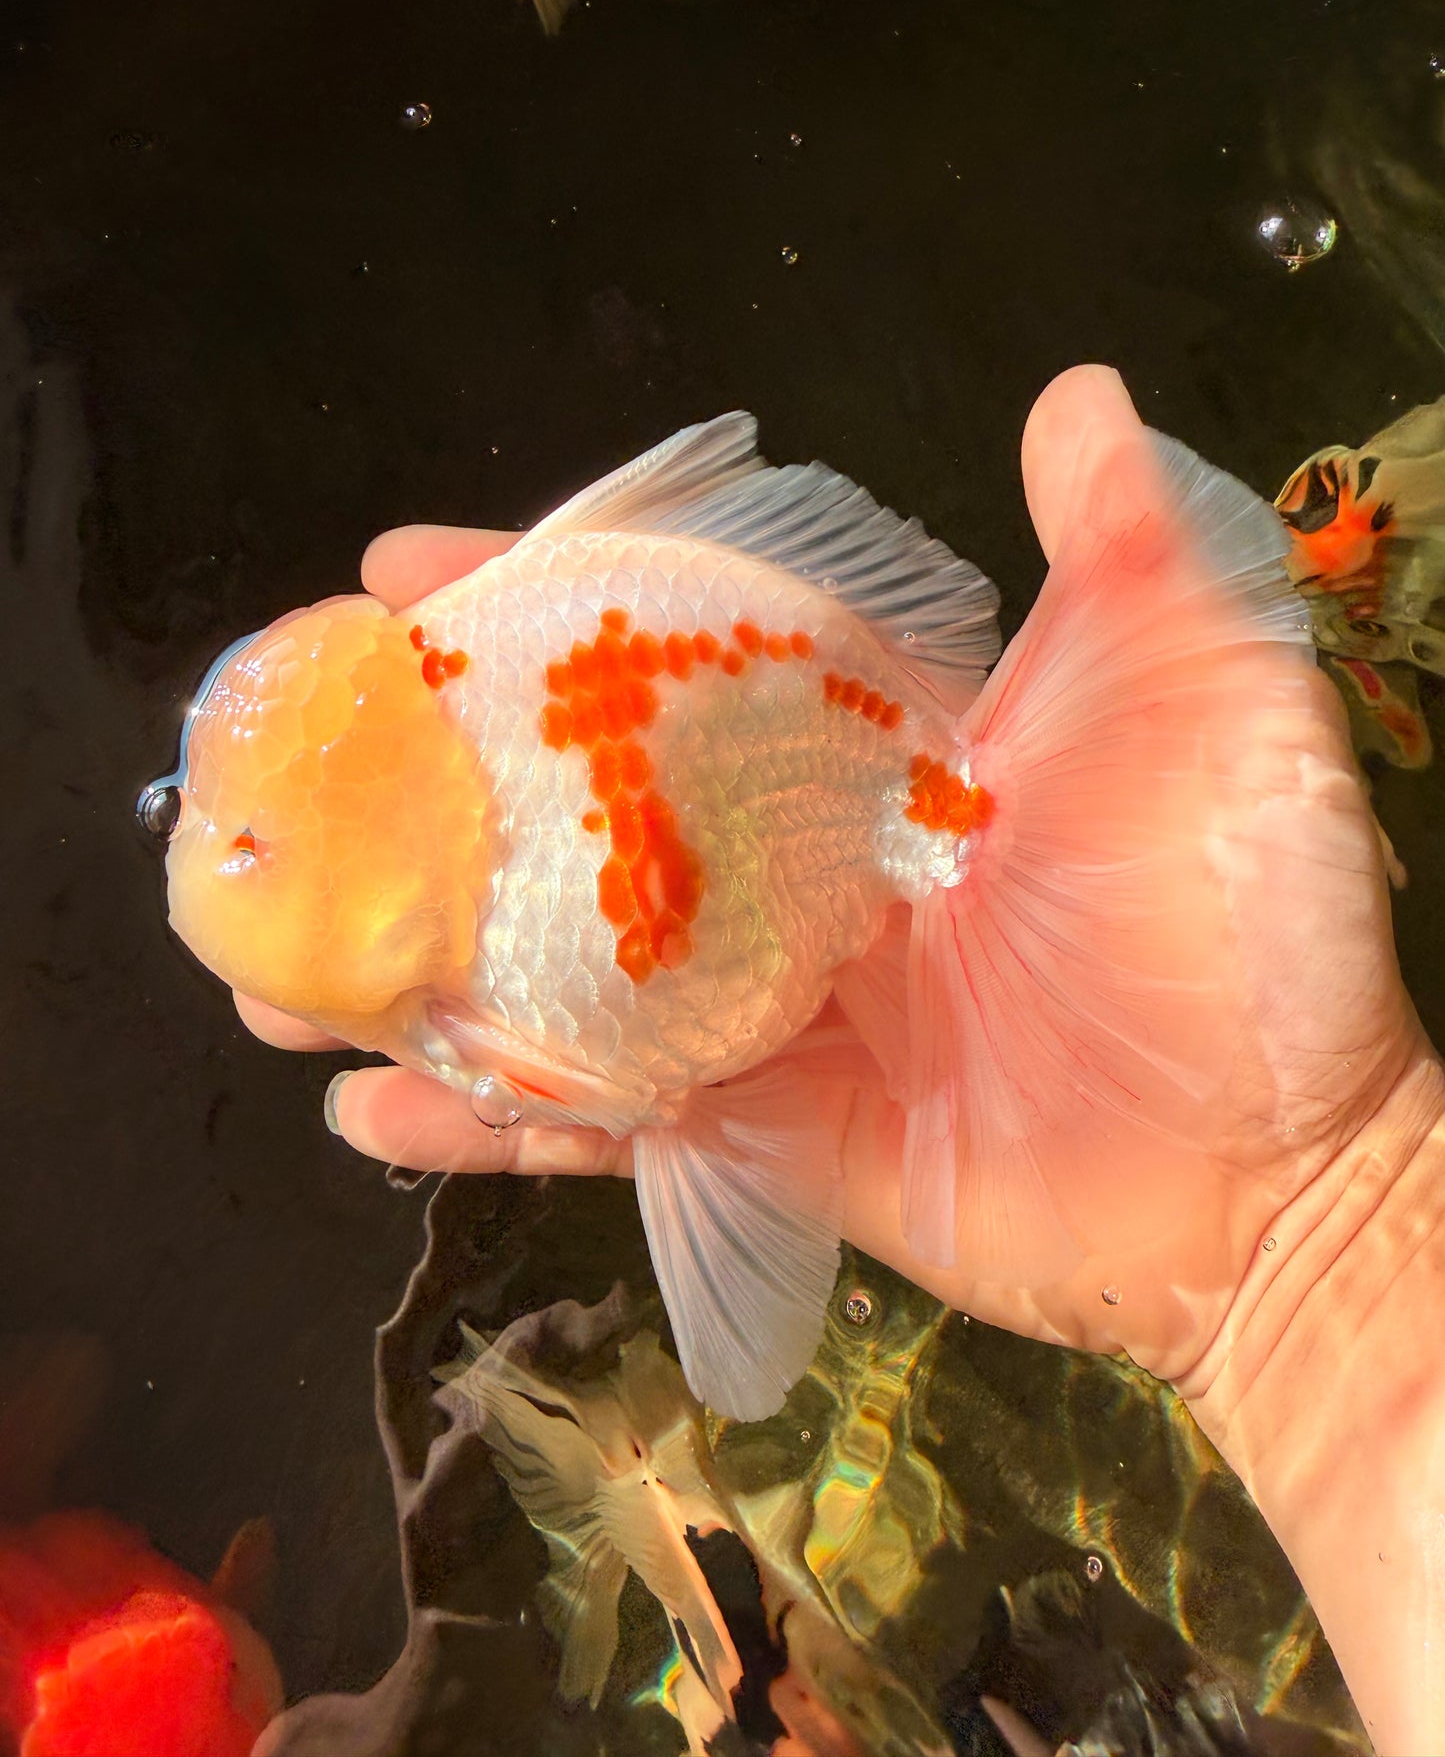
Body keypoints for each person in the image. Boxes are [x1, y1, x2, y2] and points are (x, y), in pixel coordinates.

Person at [236, 391, 1445, 1754]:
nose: (221, 859)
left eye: (248, 846)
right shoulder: (450, 873)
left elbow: (626, 1078)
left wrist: (1326, 1215)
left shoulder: (465, 904)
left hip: (847, 759)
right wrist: (1342, 1261)